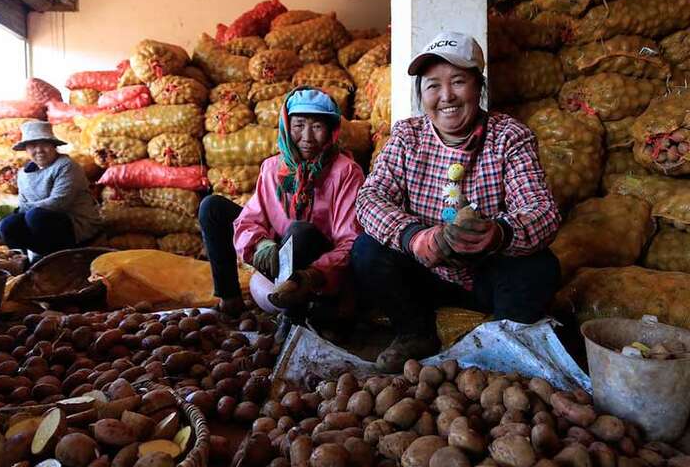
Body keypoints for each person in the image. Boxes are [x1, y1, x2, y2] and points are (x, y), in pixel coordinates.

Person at [352, 32, 562, 373]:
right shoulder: (407, 136)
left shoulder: (509, 136)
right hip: (424, 275)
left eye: (458, 82)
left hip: (485, 278)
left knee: (540, 267)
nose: (446, 96)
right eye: (433, 85)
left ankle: (500, 349)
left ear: (479, 87)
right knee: (366, 251)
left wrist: (500, 234)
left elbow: (543, 211)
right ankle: (415, 331)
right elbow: (369, 198)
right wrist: (415, 237)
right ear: (421, 94)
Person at [199, 87, 364, 339]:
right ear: (287, 127)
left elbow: (349, 243)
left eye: (317, 126)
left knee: (300, 231)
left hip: (321, 271)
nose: (307, 137)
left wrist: (314, 274)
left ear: (332, 131)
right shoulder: (272, 167)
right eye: (298, 125)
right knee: (212, 208)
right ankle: (230, 301)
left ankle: (294, 319)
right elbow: (250, 219)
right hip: (282, 258)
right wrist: (261, 244)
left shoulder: (346, 172)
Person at [0, 120, 101, 260]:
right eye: (33, 146)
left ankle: (52, 258)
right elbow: (23, 203)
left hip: (75, 223)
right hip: (41, 225)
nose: (39, 150)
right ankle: (39, 259)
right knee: (8, 225)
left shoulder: (66, 166)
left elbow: (58, 203)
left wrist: (22, 209)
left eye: (44, 144)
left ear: (53, 146)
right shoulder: (23, 174)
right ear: (26, 150)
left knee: (35, 216)